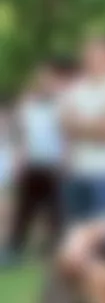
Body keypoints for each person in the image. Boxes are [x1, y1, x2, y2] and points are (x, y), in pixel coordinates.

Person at [60, 36, 105, 223]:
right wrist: (98, 123)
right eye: (90, 55)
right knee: (76, 231)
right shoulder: (75, 89)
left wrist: (81, 126)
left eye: (99, 55)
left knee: (104, 236)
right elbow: (64, 128)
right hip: (77, 172)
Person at [9, 61, 68, 254]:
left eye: (49, 78)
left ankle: (54, 248)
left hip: (54, 165)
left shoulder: (62, 104)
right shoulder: (27, 105)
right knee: (25, 209)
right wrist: (19, 162)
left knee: (56, 211)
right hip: (32, 165)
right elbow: (21, 136)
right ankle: (15, 247)